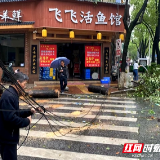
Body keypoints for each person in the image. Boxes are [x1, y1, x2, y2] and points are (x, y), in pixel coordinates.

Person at [0, 72, 36, 160]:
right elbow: (11, 118)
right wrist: (27, 121)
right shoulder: (9, 96)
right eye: (24, 84)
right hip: (7, 138)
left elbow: (15, 112)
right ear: (18, 82)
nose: (25, 86)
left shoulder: (12, 93)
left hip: (9, 136)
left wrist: (29, 111)